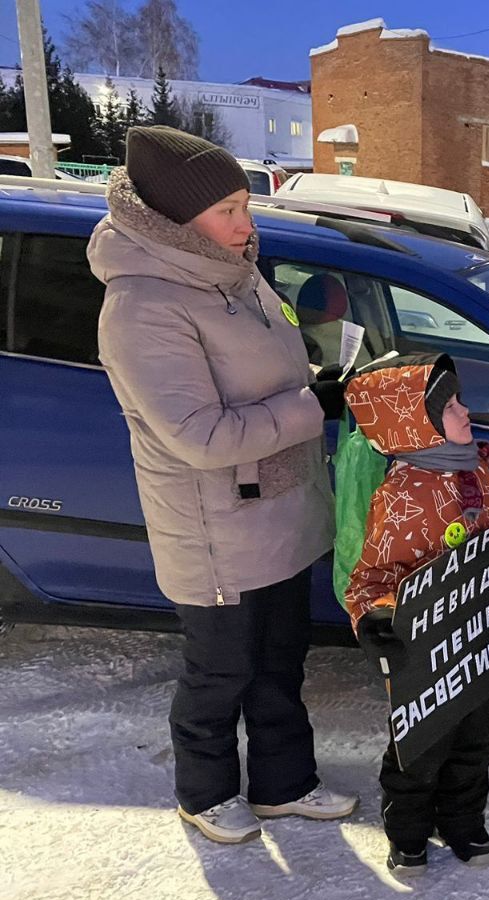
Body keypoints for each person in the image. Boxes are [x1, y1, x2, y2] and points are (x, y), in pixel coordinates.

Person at [89, 126, 356, 844]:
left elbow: (273, 370)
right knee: (219, 674)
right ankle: (204, 794)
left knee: (279, 663)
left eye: (246, 204)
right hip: (216, 533)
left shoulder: (234, 273)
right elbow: (198, 436)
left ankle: (284, 785)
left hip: (282, 515)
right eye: (228, 210)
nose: (247, 224)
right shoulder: (144, 306)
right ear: (175, 220)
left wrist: (318, 373)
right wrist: (311, 408)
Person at [343, 357, 489, 876]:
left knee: (477, 737)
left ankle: (461, 819)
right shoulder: (400, 496)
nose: (465, 411)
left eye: (460, 400)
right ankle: (408, 831)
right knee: (422, 742)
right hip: (421, 651)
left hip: (477, 638)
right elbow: (370, 580)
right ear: (417, 423)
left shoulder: (473, 468)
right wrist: (377, 621)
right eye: (451, 406)